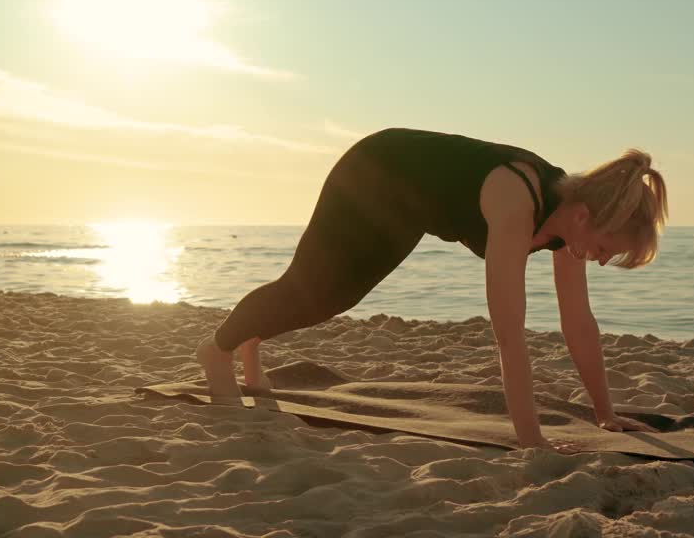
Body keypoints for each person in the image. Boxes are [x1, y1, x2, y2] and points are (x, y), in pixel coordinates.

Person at [197, 127, 669, 451]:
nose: (604, 260)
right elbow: (509, 334)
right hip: (378, 171)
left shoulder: (571, 222)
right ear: (588, 218)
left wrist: (605, 413)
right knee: (320, 293)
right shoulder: (516, 201)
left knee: (320, 295)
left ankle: (251, 340)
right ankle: (219, 350)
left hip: (417, 202)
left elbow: (578, 323)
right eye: (608, 249)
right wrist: (532, 441)